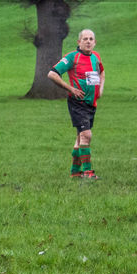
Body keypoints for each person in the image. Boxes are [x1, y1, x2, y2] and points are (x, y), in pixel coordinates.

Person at [48, 29, 104, 179]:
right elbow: (52, 74)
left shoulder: (96, 57)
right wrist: (70, 88)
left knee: (80, 138)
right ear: (79, 42)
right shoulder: (72, 57)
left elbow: (102, 72)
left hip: (91, 104)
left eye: (91, 39)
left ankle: (75, 172)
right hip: (77, 103)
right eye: (85, 39)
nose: (88, 41)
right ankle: (87, 172)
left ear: (95, 42)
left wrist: (101, 89)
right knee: (86, 134)